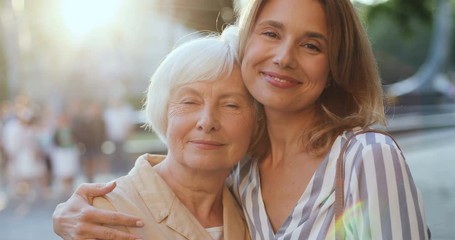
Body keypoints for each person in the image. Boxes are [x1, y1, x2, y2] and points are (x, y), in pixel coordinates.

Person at [53, 0, 429, 239]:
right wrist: (66, 216)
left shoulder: (367, 158)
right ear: (249, 41)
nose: (284, 57)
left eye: (312, 45)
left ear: (335, 66)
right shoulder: (241, 173)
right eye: (271, 33)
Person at [56, 27, 261, 239]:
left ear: (257, 121)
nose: (207, 122)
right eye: (189, 101)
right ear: (163, 112)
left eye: (231, 105)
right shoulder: (104, 216)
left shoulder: (257, 212)